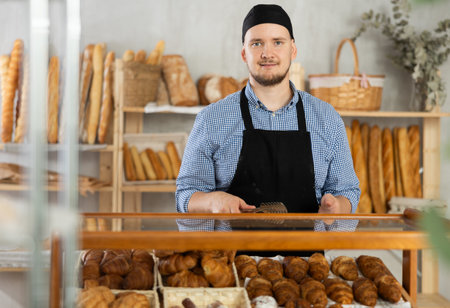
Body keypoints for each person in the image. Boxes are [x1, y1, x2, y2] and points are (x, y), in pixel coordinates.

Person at [175, 4, 360, 237]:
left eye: (278, 42)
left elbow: (347, 191)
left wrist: (336, 208)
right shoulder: (212, 119)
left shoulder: (327, 119)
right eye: (257, 43)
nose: (267, 53)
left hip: (305, 268)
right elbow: (186, 195)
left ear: (293, 50)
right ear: (244, 53)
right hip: (233, 267)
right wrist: (212, 201)